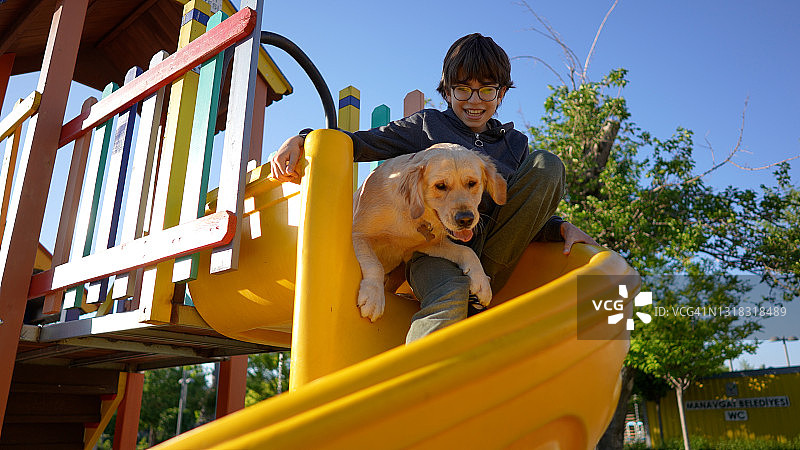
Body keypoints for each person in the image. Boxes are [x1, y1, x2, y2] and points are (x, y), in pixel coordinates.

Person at [270, 33, 597, 343]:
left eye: (486, 90)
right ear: (447, 91)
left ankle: (478, 297)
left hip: (492, 248)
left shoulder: (514, 145)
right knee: (449, 292)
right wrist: (302, 138)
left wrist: (560, 228)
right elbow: (359, 144)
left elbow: (520, 207)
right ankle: (419, 378)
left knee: (548, 164)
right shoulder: (427, 126)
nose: (474, 100)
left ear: (501, 94)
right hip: (428, 245)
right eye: (462, 90)